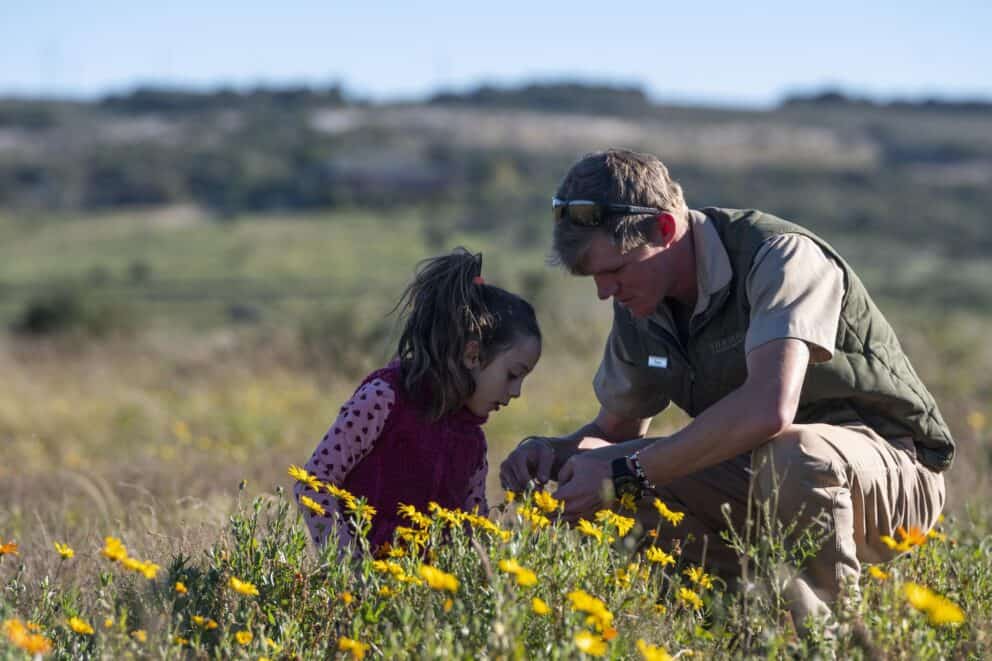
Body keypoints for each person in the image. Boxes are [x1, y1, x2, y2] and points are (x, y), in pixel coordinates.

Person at [499, 149, 952, 629]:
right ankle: (752, 629)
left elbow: (769, 410)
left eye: (614, 271)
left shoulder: (778, 257)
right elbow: (613, 434)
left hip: (894, 472)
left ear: (665, 231)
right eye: (594, 278)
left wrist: (625, 470)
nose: (604, 291)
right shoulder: (641, 301)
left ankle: (834, 642)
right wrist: (555, 453)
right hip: (768, 472)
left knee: (792, 455)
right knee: (603, 491)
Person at [294, 247, 541, 554]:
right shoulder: (384, 400)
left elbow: (472, 534)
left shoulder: (473, 442)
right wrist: (350, 565)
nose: (516, 391)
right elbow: (314, 482)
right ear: (472, 355)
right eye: (512, 375)